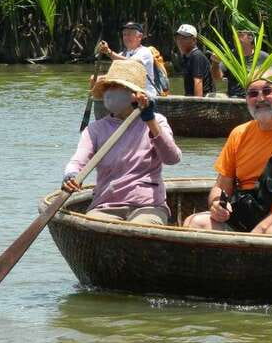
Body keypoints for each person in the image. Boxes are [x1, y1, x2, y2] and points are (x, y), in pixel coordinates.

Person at [183, 74, 272, 235]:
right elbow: (221, 186)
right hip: (246, 214)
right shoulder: (239, 133)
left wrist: (262, 228)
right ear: (246, 99)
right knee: (194, 223)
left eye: (267, 91)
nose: (260, 98)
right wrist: (216, 204)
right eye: (253, 94)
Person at [63, 59, 182, 225]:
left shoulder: (156, 121)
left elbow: (172, 158)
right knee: (96, 226)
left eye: (119, 87)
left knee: (141, 228)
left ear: (134, 94)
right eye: (109, 87)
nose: (112, 93)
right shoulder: (95, 129)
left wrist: (150, 120)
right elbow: (78, 161)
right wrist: (71, 175)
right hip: (105, 204)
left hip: (148, 205)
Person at [96, 21, 157, 96]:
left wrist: (109, 52)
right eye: (124, 34)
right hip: (127, 93)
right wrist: (100, 79)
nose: (126, 37)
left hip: (145, 93)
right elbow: (114, 75)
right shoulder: (122, 54)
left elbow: (132, 64)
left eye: (129, 34)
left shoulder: (145, 52)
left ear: (140, 37)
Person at [210, 29, 269, 97]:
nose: (236, 37)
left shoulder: (263, 57)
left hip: (257, 97)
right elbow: (217, 79)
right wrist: (215, 63)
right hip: (235, 99)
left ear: (250, 38)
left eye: (240, 34)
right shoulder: (229, 57)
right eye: (234, 34)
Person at [175, 23, 214, 97]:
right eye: (178, 38)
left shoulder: (196, 56)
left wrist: (197, 105)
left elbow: (198, 82)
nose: (180, 41)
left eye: (184, 38)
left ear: (194, 40)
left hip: (205, 100)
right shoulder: (186, 56)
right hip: (191, 98)